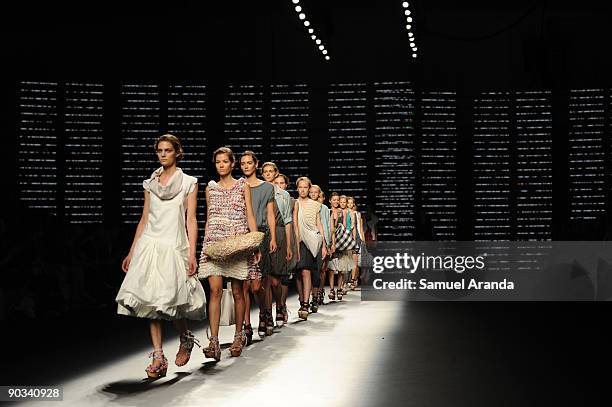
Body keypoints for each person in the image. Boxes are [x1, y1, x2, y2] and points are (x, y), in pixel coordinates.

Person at [116, 134, 206, 379]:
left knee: (171, 300)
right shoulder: (150, 183)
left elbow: (191, 218)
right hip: (150, 244)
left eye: (168, 150)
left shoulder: (189, 182)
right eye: (159, 150)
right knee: (150, 302)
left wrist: (191, 252)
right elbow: (145, 218)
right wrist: (133, 249)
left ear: (177, 152)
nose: (163, 154)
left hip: (174, 243)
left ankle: (185, 336)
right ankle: (158, 356)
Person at [198, 147, 260, 361]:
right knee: (214, 291)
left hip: (237, 242)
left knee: (237, 292)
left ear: (232, 164)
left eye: (225, 161)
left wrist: (254, 244)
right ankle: (213, 342)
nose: (221, 165)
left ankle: (238, 335)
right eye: (218, 162)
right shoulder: (210, 188)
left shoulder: (243, 186)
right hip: (215, 243)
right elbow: (209, 217)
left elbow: (250, 214)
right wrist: (205, 245)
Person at [239, 151, 277, 340]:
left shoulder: (267, 188)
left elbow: (270, 213)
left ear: (256, 164)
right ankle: (246, 325)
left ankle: (263, 312)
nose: (246, 166)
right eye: (242, 163)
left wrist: (273, 238)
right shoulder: (237, 186)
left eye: (249, 163)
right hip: (241, 234)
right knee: (243, 284)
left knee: (257, 285)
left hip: (261, 234)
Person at [261, 162, 293, 327]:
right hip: (261, 234)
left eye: (270, 171)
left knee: (275, 280)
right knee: (264, 279)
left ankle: (280, 305)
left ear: (276, 173)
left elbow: (287, 220)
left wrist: (288, 245)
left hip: (279, 234)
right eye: (264, 171)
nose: (267, 174)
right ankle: (266, 314)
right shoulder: (258, 191)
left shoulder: (283, 195)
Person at [294, 177, 326, 320]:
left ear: (309, 188)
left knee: (307, 271)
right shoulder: (293, 203)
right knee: (298, 274)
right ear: (297, 188)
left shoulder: (315, 205)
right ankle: (302, 300)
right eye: (300, 187)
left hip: (312, 241)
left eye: (305, 187)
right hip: (297, 240)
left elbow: (319, 224)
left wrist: (324, 244)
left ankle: (306, 303)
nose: (302, 190)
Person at [273, 173, 297, 324]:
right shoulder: (268, 196)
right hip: (271, 235)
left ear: (286, 185)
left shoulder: (291, 200)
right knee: (272, 277)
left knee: (285, 275)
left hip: (286, 235)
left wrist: (293, 244)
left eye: (282, 183)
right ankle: (275, 308)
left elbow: (292, 223)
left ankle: (281, 305)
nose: (279, 185)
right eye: (277, 182)